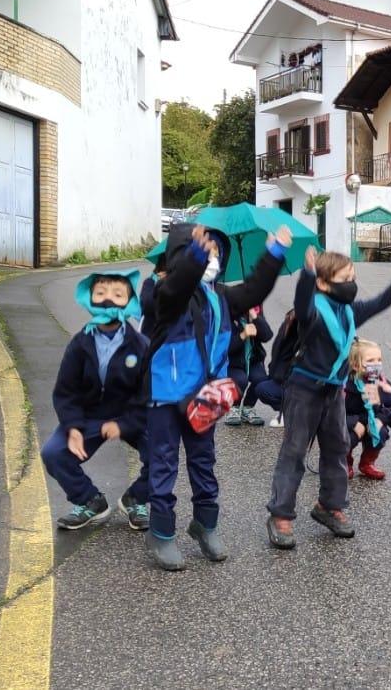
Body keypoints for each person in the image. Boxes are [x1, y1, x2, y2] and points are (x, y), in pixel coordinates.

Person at [143, 223, 289, 571]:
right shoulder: (166, 292)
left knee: (203, 462)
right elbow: (177, 286)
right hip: (165, 396)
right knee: (164, 464)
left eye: (215, 254)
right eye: (205, 252)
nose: (213, 258)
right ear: (180, 256)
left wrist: (273, 255)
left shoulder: (221, 296)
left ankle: (205, 526)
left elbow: (254, 290)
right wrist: (194, 255)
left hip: (205, 397)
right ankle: (161, 534)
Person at [265, 248, 391, 550]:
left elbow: (381, 302)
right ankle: (280, 514)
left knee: (337, 448)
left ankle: (329, 506)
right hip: (304, 390)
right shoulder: (312, 312)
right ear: (324, 283)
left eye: (353, 277)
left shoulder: (350, 311)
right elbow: (301, 302)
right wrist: (307, 275)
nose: (352, 282)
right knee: (294, 453)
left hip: (333, 391)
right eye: (345, 278)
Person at [41, 270, 151, 531]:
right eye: (100, 293)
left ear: (129, 300)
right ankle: (89, 500)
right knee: (53, 452)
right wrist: (74, 427)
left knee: (163, 451)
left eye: (117, 294)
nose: (108, 300)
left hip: (129, 415)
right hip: (90, 415)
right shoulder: (80, 343)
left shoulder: (140, 344)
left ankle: (137, 498)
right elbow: (66, 392)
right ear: (89, 298)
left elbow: (146, 395)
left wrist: (123, 425)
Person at [343, 339, 391, 480]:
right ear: (355, 364)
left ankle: (367, 462)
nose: (376, 364)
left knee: (380, 431)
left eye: (379, 360)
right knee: (345, 435)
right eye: (370, 360)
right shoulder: (344, 385)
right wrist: (352, 422)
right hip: (349, 423)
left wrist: (380, 419)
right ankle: (344, 461)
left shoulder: (381, 383)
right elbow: (330, 411)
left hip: (370, 421)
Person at [223, 306, 274, 426]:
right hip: (233, 363)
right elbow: (225, 348)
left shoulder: (254, 313)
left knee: (261, 380)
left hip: (253, 360)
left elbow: (267, 336)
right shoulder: (228, 316)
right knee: (241, 380)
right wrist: (243, 335)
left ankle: (248, 407)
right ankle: (233, 408)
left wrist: (255, 318)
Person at [260, 309, 298, 428]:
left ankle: (290, 413)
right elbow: (277, 351)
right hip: (282, 376)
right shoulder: (287, 326)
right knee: (261, 385)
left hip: (297, 383)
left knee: (264, 388)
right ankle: (289, 411)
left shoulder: (303, 334)